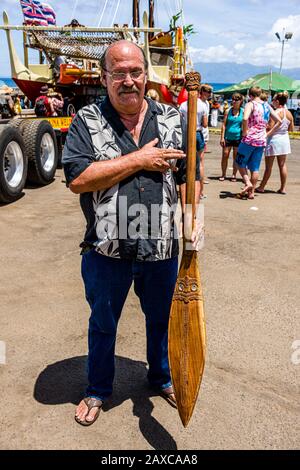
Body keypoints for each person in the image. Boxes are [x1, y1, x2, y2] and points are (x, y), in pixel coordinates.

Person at [62, 40, 201, 426]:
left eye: (135, 72)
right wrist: (140, 159)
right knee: (103, 324)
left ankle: (160, 377)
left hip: (162, 248)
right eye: (119, 73)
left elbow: (190, 175)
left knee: (161, 320)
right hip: (107, 250)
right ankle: (97, 390)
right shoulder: (86, 122)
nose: (128, 81)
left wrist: (193, 215)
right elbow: (78, 178)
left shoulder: (174, 119)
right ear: (104, 77)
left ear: (146, 75)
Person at [235, 86, 281, 199]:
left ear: (250, 95)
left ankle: (247, 183)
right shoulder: (267, 105)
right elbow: (279, 121)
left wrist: (245, 132)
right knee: (254, 168)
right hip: (261, 140)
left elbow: (245, 118)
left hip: (249, 139)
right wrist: (267, 134)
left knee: (239, 161)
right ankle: (251, 192)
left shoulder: (250, 104)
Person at [256, 92, 294, 195]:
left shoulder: (276, 112)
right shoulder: (289, 113)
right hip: (284, 140)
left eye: (273, 100)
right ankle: (282, 188)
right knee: (282, 165)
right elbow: (291, 129)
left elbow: (270, 127)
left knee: (269, 166)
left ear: (277, 102)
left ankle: (262, 186)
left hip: (274, 140)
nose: (272, 102)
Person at [179, 90, 207, 201]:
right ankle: (200, 192)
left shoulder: (182, 105)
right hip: (198, 134)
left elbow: (179, 120)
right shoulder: (202, 105)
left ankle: (187, 192)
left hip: (185, 133)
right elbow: (205, 124)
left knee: (185, 164)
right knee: (199, 162)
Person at [219, 93, 244, 181]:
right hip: (228, 137)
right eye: (233, 99)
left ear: (240, 101)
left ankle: (234, 174)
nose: (233, 101)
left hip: (238, 138)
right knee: (225, 155)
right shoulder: (228, 111)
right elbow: (224, 125)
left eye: (236, 99)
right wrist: (222, 137)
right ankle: (223, 174)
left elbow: (244, 125)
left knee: (235, 157)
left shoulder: (243, 111)